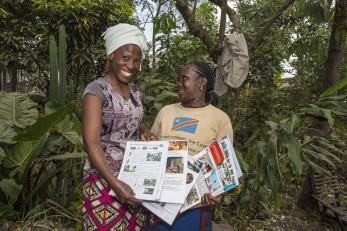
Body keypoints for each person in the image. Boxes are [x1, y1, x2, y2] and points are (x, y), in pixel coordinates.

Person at [145, 61, 234, 231]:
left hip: (193, 207)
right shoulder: (166, 111)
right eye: (178, 79)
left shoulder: (220, 119)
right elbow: (154, 147)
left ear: (202, 82)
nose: (178, 83)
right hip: (158, 203)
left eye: (184, 78)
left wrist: (217, 192)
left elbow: (223, 164)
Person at [82, 23, 148, 231]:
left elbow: (134, 124)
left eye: (136, 61)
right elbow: (91, 142)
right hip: (103, 181)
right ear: (111, 55)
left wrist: (145, 133)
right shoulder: (96, 90)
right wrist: (115, 183)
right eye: (125, 58)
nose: (131, 66)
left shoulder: (135, 91)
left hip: (133, 178)